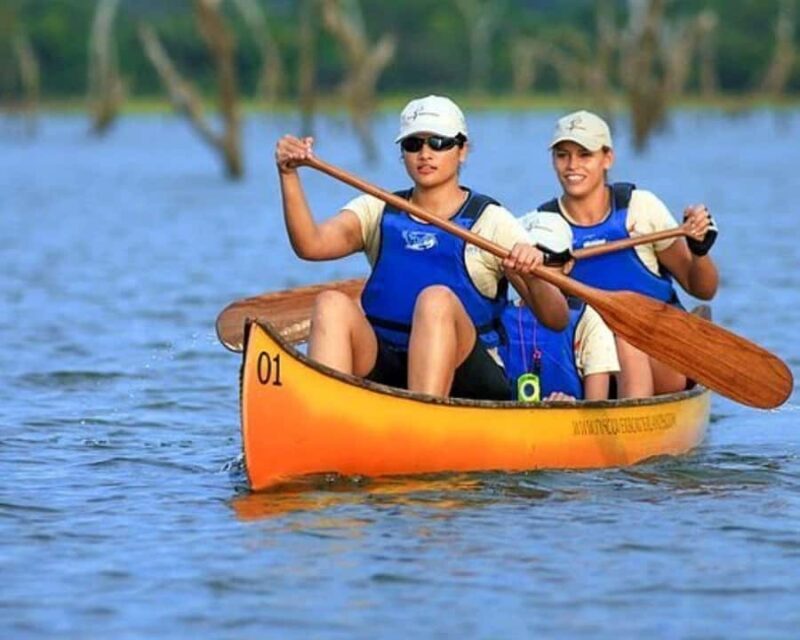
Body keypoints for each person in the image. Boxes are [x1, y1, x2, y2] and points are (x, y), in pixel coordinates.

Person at [274, 95, 568, 400]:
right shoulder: (379, 210)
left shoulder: (492, 223)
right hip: (389, 361)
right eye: (413, 144)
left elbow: (556, 319)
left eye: (439, 143)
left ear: (462, 150)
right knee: (331, 303)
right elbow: (311, 245)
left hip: (470, 376)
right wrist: (289, 175)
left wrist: (533, 275)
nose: (425, 154)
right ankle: (325, 419)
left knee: (435, 300)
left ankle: (423, 421)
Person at [537, 110, 719, 398]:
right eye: (562, 155)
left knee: (624, 333)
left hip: (663, 355)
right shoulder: (542, 226)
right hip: (589, 364)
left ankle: (632, 420)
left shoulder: (641, 209)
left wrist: (699, 249)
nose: (572, 165)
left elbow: (703, 289)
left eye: (585, 154)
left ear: (607, 158)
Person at [499, 212, 620, 402]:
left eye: (547, 259)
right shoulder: (497, 316)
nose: (535, 267)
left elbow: (597, 409)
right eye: (525, 257)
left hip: (571, 425)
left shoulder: (588, 319)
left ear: (568, 265)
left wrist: (572, 408)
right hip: (508, 425)